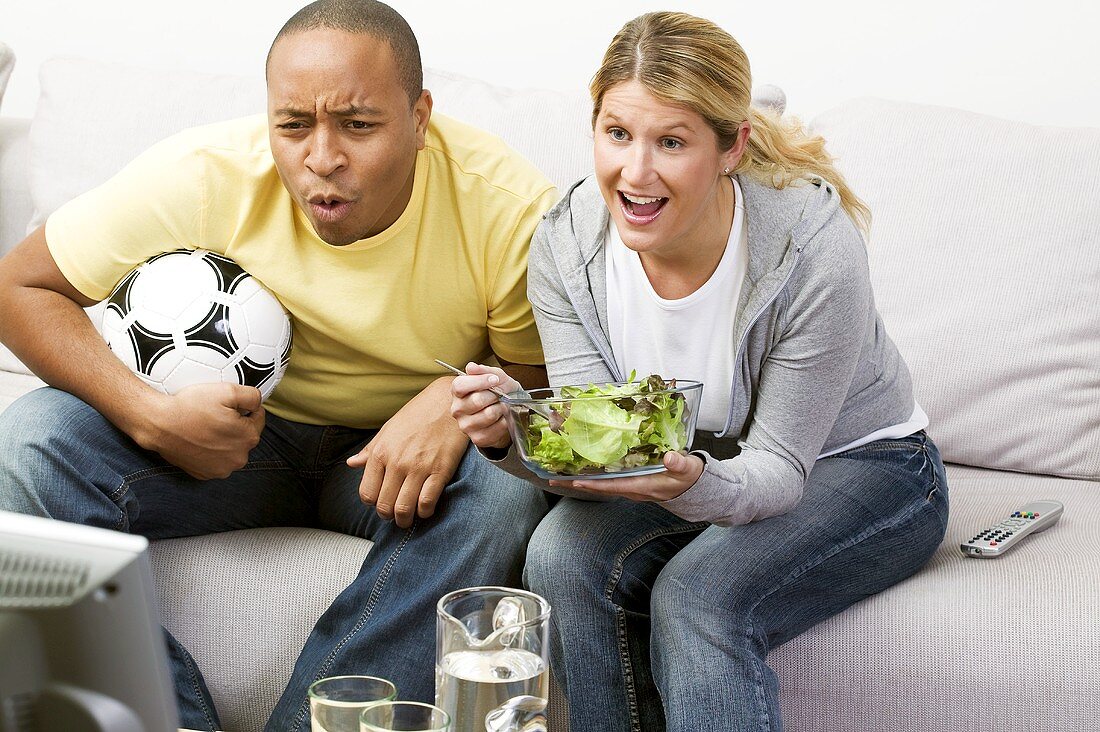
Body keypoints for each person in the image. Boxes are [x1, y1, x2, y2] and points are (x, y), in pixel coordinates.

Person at [0, 1, 556, 730]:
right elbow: (20, 286)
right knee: (34, 438)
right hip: (229, 445)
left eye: (358, 125)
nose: (321, 157)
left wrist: (457, 395)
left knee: (502, 488)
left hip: (392, 465)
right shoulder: (205, 176)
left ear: (419, 118)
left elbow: (537, 384)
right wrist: (152, 413)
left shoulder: (508, 209)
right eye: (293, 125)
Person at [449, 11, 949, 732]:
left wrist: (696, 482)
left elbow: (777, 470)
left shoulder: (813, 253)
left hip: (866, 467)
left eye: (672, 142)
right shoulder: (566, 245)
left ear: (730, 148)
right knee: (559, 555)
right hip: (699, 466)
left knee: (699, 594)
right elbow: (598, 459)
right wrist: (510, 434)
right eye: (617, 134)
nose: (635, 172)